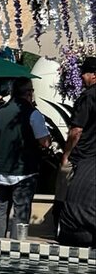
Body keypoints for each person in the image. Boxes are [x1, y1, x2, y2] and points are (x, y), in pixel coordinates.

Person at [0, 78, 51, 239]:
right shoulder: (33, 113)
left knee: (1, 209)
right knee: (21, 211)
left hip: (0, 171)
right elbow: (44, 142)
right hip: (24, 171)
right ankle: (17, 247)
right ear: (29, 93)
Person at [59, 55, 96, 248]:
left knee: (68, 196)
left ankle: (63, 232)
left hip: (83, 157)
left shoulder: (88, 97)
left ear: (93, 75)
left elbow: (76, 131)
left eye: (84, 73)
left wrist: (66, 155)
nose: (81, 77)